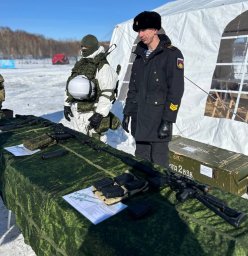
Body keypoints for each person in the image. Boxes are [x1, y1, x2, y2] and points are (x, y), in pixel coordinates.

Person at [122, 11, 184, 168]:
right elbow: (133, 87)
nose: (140, 34)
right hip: (140, 118)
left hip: (158, 120)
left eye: (144, 30)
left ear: (155, 29)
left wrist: (168, 120)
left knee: (159, 163)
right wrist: (128, 112)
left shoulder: (171, 54)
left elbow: (176, 91)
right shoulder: (139, 55)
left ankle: (159, 191)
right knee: (141, 161)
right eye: (138, 31)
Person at [64, 34, 120, 140]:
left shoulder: (103, 67)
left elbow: (107, 93)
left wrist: (99, 114)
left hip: (92, 113)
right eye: (82, 47)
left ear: (93, 48)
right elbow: (70, 85)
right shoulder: (80, 64)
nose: (84, 49)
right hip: (77, 112)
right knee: (79, 143)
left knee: (97, 145)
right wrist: (66, 104)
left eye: (87, 48)